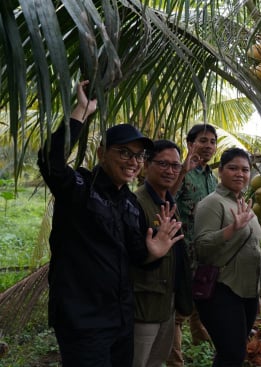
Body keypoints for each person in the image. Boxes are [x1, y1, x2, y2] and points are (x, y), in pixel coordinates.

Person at [38, 81, 183, 366]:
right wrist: (82, 110)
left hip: (120, 317)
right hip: (82, 319)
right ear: (102, 153)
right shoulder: (80, 188)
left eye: (139, 156)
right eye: (124, 152)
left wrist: (153, 252)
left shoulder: (130, 204)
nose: (133, 161)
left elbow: (135, 255)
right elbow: (50, 161)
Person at [193, 147, 261, 367]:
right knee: (232, 353)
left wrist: (258, 292)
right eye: (233, 168)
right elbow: (201, 247)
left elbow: (254, 249)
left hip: (247, 291)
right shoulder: (212, 203)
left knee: (232, 353)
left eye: (245, 169)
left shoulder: (245, 205)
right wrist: (232, 229)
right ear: (220, 171)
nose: (239, 174)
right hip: (221, 289)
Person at [131, 140, 193, 367]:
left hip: (166, 304)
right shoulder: (136, 203)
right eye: (163, 164)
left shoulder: (168, 202)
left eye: (175, 166)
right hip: (144, 306)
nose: (170, 171)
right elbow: (131, 255)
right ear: (147, 165)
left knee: (156, 362)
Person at [167, 124, 217, 366]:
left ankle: (201, 346)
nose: (208, 146)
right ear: (189, 144)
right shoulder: (180, 171)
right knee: (178, 313)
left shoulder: (213, 177)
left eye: (212, 142)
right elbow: (165, 202)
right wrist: (183, 172)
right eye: (203, 140)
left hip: (205, 254)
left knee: (200, 303)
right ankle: (175, 362)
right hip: (182, 253)